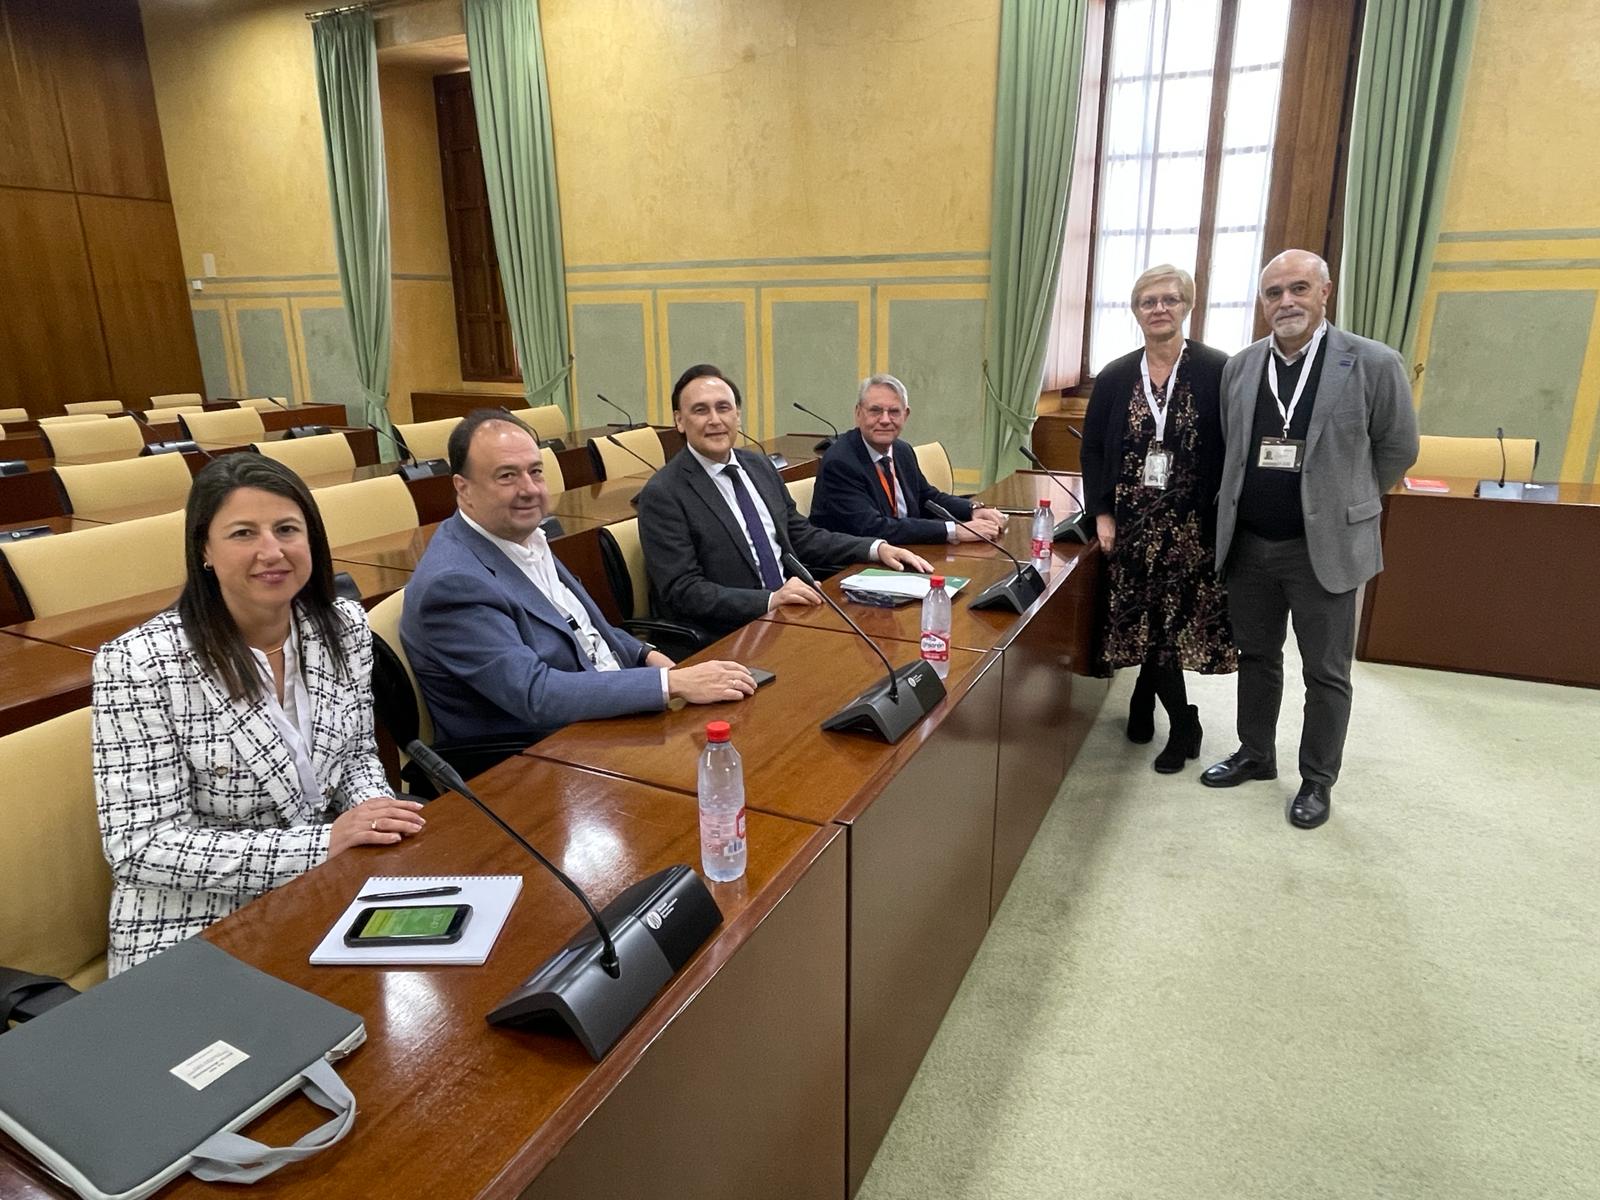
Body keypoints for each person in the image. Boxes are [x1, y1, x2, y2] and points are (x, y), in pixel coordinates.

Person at [92, 453, 425, 974]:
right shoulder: (139, 664)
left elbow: (357, 751)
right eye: (243, 533)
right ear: (204, 548)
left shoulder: (342, 626)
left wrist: (378, 822)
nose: (272, 551)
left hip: (330, 888)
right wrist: (324, 843)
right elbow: (141, 846)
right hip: (196, 922)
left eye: (287, 529)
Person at [1203, 249, 1419, 829]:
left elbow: (1398, 447)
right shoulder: (1242, 366)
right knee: (1257, 656)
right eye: (1273, 293)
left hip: (1323, 550)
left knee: (1326, 673)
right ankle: (1255, 753)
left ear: (1325, 292)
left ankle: (1318, 781)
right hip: (1249, 545)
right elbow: (1235, 447)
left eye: (1298, 288)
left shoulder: (1373, 362)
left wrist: (1343, 502)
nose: (1286, 302)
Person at [401, 410, 755, 743]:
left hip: (601, 714)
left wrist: (646, 655)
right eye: (507, 476)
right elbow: (535, 694)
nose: (529, 489)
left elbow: (580, 628)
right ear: (463, 488)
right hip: (539, 754)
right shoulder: (453, 583)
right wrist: (670, 683)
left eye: (535, 472)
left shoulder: (520, 536)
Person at [638, 364, 935, 640]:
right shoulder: (664, 493)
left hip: (792, 615)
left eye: (723, 408)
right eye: (701, 410)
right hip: (729, 633)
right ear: (679, 420)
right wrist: (770, 599)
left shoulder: (757, 467)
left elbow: (801, 536)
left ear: (737, 416)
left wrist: (875, 548)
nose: (715, 420)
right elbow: (684, 590)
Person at [1081, 264, 1236, 773]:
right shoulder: (1115, 375)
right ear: (1136, 311)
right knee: (1148, 621)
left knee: (1169, 625)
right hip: (1132, 524)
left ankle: (1179, 722)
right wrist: (1101, 512)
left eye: (1169, 299)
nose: (1159, 309)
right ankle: (1158, 706)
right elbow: (1095, 451)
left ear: (1187, 305)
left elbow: (1234, 449)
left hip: (1193, 524)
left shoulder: (1218, 369)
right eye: (1148, 301)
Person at [809, 374, 1008, 544]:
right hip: (853, 566)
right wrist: (954, 530)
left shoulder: (901, 450)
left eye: (894, 411)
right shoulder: (841, 462)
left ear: (906, 415)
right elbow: (873, 527)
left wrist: (971, 510)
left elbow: (927, 497)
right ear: (858, 414)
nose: (885, 420)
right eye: (875, 411)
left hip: (905, 550)